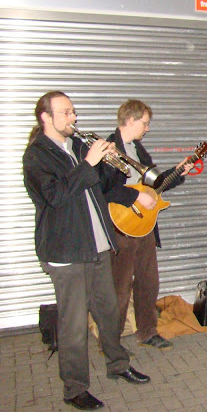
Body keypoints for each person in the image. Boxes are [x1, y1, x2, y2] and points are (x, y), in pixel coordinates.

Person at [23, 91, 150, 411]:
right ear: (46, 118)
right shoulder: (37, 156)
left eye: (73, 112)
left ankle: (118, 364)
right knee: (74, 323)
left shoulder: (77, 147)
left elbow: (102, 188)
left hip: (97, 246)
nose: (73, 118)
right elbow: (55, 195)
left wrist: (113, 162)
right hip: (66, 252)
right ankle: (75, 388)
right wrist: (90, 162)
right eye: (65, 113)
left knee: (109, 313)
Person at [102, 99, 194, 351]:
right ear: (130, 121)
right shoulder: (109, 148)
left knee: (148, 282)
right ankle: (111, 342)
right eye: (145, 122)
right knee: (119, 289)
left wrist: (176, 174)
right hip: (121, 228)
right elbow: (103, 189)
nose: (148, 128)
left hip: (144, 226)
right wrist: (134, 196)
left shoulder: (138, 149)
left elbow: (153, 186)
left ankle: (147, 331)